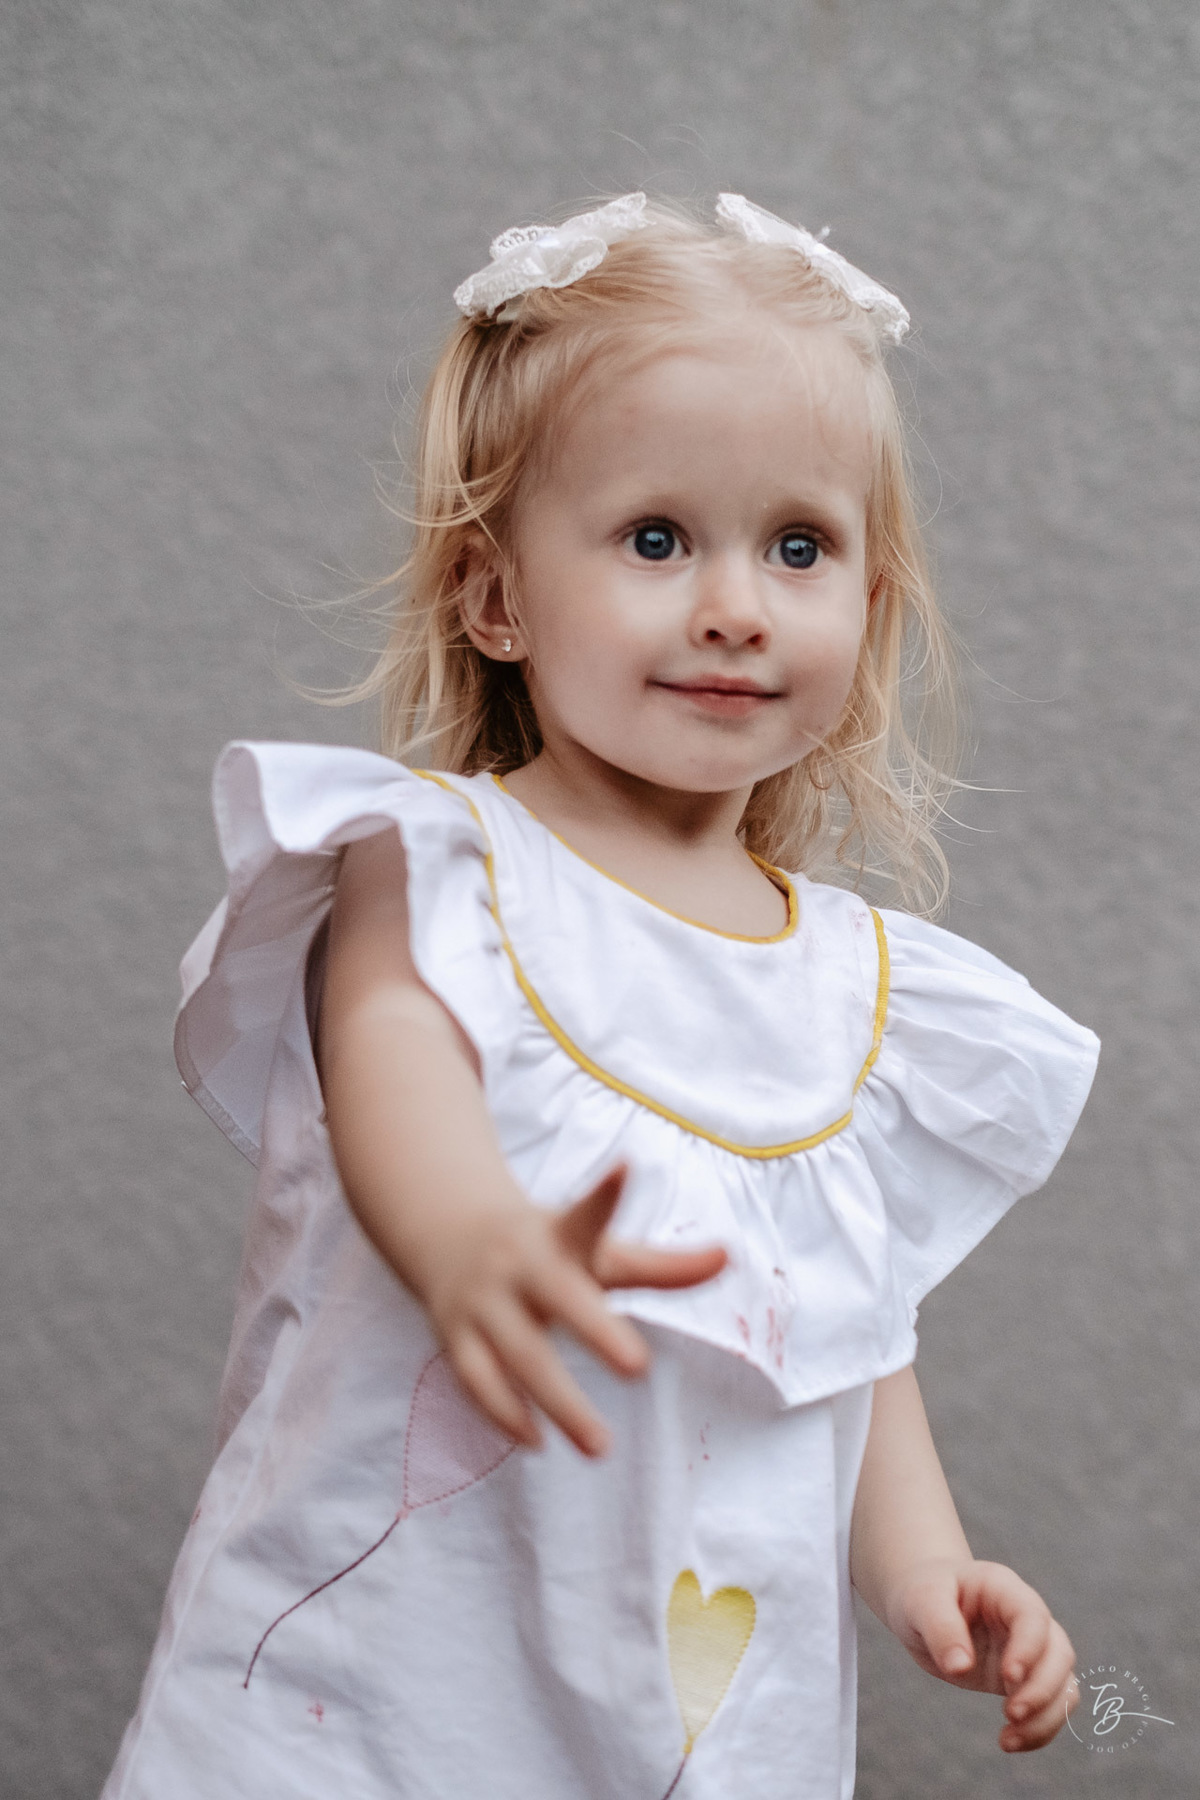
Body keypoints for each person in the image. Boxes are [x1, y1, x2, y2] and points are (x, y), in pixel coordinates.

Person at [103, 194, 1099, 1800]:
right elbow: (389, 1067)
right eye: (656, 539)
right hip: (389, 1690)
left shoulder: (861, 992)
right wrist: (469, 1234)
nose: (734, 603)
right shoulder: (436, 865)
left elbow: (847, 1332)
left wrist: (925, 1567)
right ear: (496, 598)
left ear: (871, 598)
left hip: (696, 1708)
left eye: (799, 546)